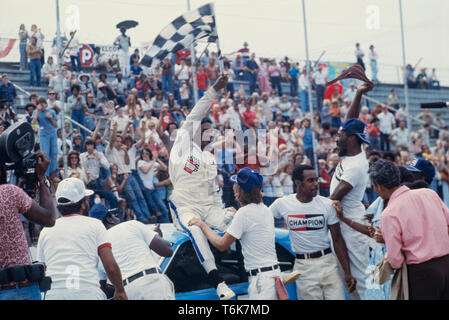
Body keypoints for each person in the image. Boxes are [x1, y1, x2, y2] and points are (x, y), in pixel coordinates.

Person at [168, 75, 237, 300]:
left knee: (239, 219)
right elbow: (195, 114)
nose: (211, 134)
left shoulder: (208, 157)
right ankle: (218, 282)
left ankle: (267, 270)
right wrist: (214, 91)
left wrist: (226, 211)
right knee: (195, 230)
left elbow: (214, 194)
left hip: (209, 207)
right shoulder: (182, 146)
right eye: (206, 130)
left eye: (212, 131)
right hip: (185, 206)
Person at [189, 167, 299, 300]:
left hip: (260, 280)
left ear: (240, 191)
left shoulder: (244, 214)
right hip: (273, 275)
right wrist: (237, 215)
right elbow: (252, 225)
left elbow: (221, 245)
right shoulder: (264, 210)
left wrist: (202, 225)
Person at [270, 165, 356, 300]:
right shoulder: (282, 204)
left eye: (316, 180)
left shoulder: (327, 204)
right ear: (298, 183)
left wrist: (347, 272)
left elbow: (337, 239)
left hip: (328, 263)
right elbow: (264, 220)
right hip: (303, 267)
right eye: (310, 180)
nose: (316, 184)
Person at [369, 160, 449, 300]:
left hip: (420, 273)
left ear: (379, 187)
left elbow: (395, 260)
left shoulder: (389, 213)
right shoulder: (429, 194)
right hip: (446, 264)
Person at [37, 178, 127, 300]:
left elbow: (42, 270)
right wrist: (120, 290)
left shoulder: (46, 230)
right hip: (88, 293)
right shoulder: (95, 225)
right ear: (83, 204)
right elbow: (110, 266)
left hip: (55, 295)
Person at [329, 80, 374, 300]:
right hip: (344, 220)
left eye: (341, 135)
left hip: (352, 224)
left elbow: (334, 197)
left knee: (361, 280)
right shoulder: (352, 152)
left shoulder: (356, 165)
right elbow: (350, 121)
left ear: (352, 139)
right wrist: (358, 94)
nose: (337, 138)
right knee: (349, 281)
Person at [0, 152, 58, 300]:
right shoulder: (9, 193)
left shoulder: (11, 193)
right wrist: (41, 178)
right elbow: (50, 218)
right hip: (24, 289)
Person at [90, 207, 174, 300]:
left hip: (126, 292)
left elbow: (103, 289)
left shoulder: (98, 247)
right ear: (109, 219)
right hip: (151, 284)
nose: (117, 216)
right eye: (113, 215)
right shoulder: (131, 225)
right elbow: (168, 251)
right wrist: (156, 235)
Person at [32, 97, 58, 177]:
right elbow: (33, 122)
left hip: (52, 132)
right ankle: (45, 174)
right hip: (43, 133)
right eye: (40, 104)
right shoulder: (36, 112)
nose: (42, 106)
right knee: (45, 154)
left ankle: (54, 173)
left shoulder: (51, 111)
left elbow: (56, 125)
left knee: (54, 153)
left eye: (43, 104)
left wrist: (51, 118)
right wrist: (37, 110)